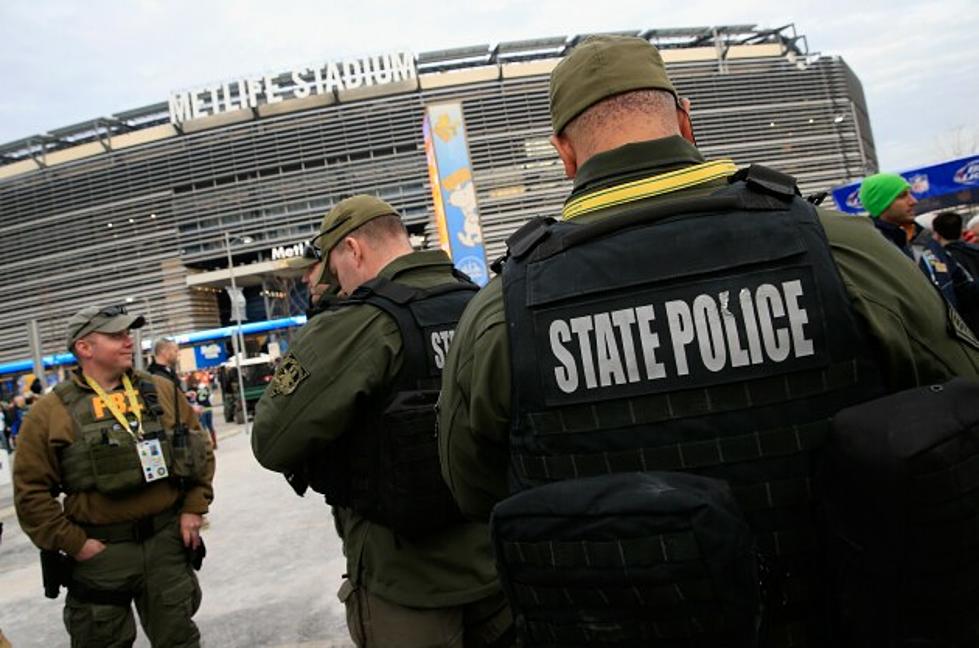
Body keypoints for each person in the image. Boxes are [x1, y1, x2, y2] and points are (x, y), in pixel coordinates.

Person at [438, 35, 979, 646]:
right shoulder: (842, 246)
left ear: (564, 152)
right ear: (685, 119)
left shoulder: (499, 311)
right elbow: (961, 405)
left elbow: (471, 486)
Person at [252, 196, 512, 648]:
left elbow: (271, 440)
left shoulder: (359, 323)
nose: (336, 285)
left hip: (406, 584)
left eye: (333, 270)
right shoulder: (484, 300)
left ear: (353, 249)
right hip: (498, 565)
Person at [13, 305, 215, 647]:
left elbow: (199, 452)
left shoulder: (160, 391)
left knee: (179, 640)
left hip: (165, 544)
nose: (128, 342)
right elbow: (30, 492)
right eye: (116, 336)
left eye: (128, 334)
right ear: (84, 348)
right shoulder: (50, 412)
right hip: (101, 554)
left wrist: (194, 508)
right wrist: (75, 544)